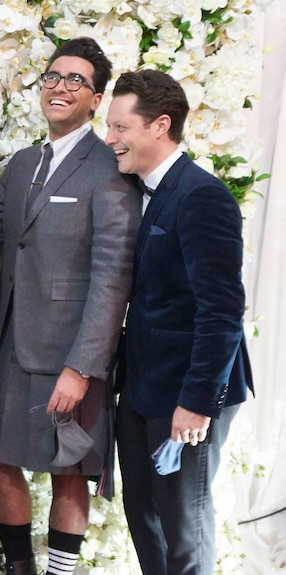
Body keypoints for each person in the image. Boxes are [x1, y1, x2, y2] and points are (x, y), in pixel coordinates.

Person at [0, 37, 140, 575]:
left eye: (76, 80)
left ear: (96, 100)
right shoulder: (25, 162)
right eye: (53, 76)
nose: (61, 86)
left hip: (70, 351)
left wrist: (82, 367)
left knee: (69, 469)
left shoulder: (110, 167)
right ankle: (20, 567)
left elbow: (113, 275)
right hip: (9, 341)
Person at [106, 70, 253, 575]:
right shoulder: (145, 190)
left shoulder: (201, 196)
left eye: (120, 127)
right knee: (143, 517)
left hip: (187, 393)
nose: (111, 139)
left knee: (182, 529)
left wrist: (195, 403)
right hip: (144, 388)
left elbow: (223, 310)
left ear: (159, 126)